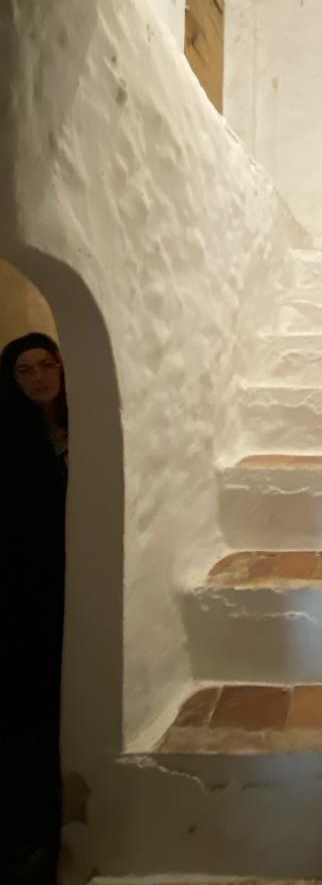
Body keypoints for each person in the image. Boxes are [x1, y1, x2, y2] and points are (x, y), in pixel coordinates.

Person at [0, 333, 68, 884]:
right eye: (26, 370)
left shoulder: (81, 424)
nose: (40, 377)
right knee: (29, 712)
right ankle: (29, 835)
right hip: (22, 591)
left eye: (48, 365)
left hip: (72, 584)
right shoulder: (8, 437)